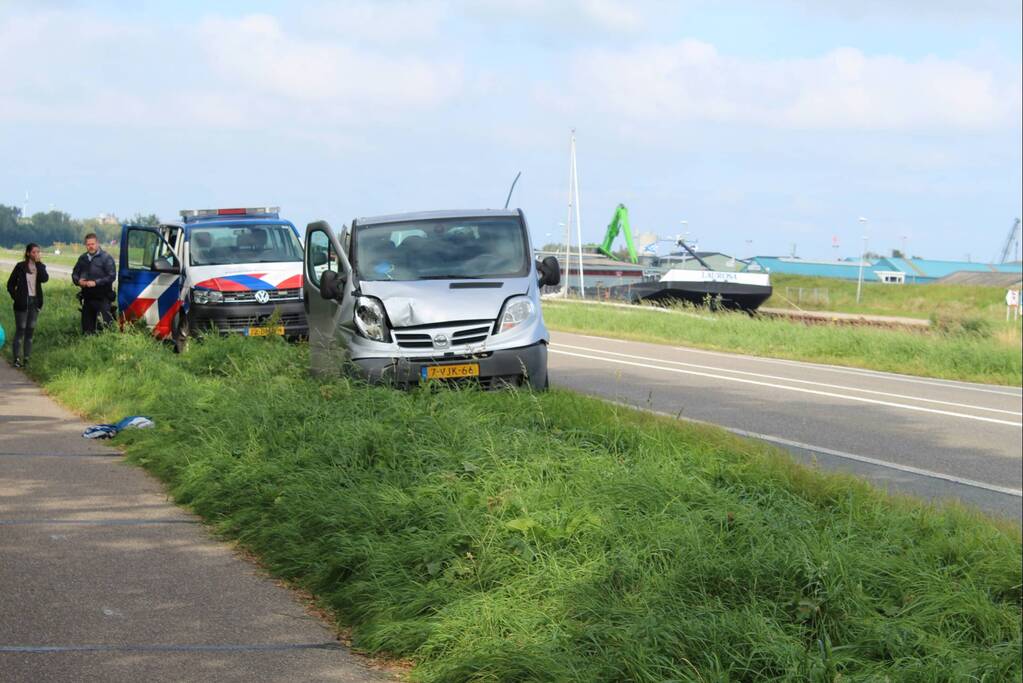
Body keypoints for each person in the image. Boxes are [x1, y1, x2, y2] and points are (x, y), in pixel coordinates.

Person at [5, 243, 49, 368]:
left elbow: (45, 279)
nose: (36, 254)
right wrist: (16, 297)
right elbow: (10, 284)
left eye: (38, 252)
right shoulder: (20, 267)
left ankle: (27, 359)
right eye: (34, 252)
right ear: (28, 253)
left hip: (35, 302)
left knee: (30, 330)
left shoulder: (40, 267)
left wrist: (39, 264)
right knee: (21, 329)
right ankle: (16, 359)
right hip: (22, 303)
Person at [71, 233, 116, 334]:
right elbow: (74, 273)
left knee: (104, 329)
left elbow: (111, 276)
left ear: (97, 243)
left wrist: (96, 283)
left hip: (103, 298)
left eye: (92, 244)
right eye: (88, 244)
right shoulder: (82, 258)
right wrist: (78, 281)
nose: (90, 246)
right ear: (85, 245)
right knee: (87, 331)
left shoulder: (106, 258)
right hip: (87, 299)